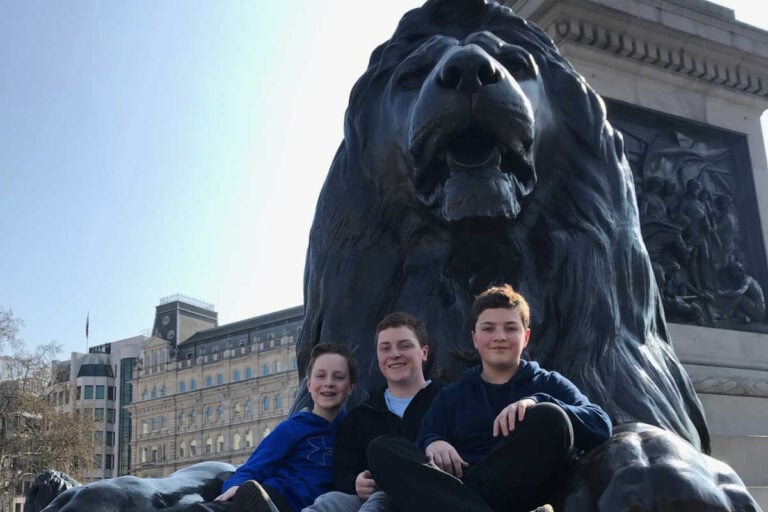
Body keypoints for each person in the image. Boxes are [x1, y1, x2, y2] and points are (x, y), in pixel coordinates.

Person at [367, 284, 612, 512]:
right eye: (488, 328)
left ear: (525, 337)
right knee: (383, 448)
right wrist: (434, 442)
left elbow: (601, 424)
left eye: (510, 328)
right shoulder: (452, 395)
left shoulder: (548, 383)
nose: (500, 336)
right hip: (461, 487)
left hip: (523, 491)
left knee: (551, 416)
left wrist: (536, 401)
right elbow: (423, 445)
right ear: (475, 338)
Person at [188, 343, 357, 512]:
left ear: (351, 387)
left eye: (338, 377)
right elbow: (256, 465)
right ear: (309, 385)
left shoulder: (354, 432)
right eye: (321, 376)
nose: (329, 383)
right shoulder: (292, 428)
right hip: (273, 496)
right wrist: (236, 486)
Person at [303, 312, 443, 512]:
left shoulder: (449, 399)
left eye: (404, 346)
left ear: (424, 353)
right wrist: (356, 483)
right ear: (378, 357)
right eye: (385, 348)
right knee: (329, 502)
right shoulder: (361, 416)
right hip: (369, 500)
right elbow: (343, 471)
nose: (394, 354)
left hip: (431, 498)